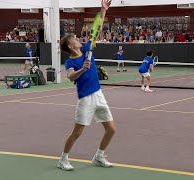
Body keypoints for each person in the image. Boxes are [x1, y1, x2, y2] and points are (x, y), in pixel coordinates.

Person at [57, 0, 116, 171]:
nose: (78, 39)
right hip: (85, 99)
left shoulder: (87, 49)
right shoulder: (70, 62)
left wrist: (103, 10)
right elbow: (70, 77)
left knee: (111, 129)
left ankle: (98, 156)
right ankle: (63, 159)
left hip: (99, 95)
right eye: (75, 39)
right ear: (70, 45)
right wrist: (82, 69)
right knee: (77, 133)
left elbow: (96, 29)